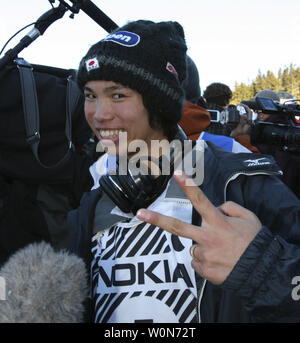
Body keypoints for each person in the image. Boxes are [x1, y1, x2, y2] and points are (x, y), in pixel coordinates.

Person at [68, 19, 300, 323]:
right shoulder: (93, 202)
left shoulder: (239, 183)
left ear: (159, 102)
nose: (99, 115)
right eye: (90, 95)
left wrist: (260, 269)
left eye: (118, 95)